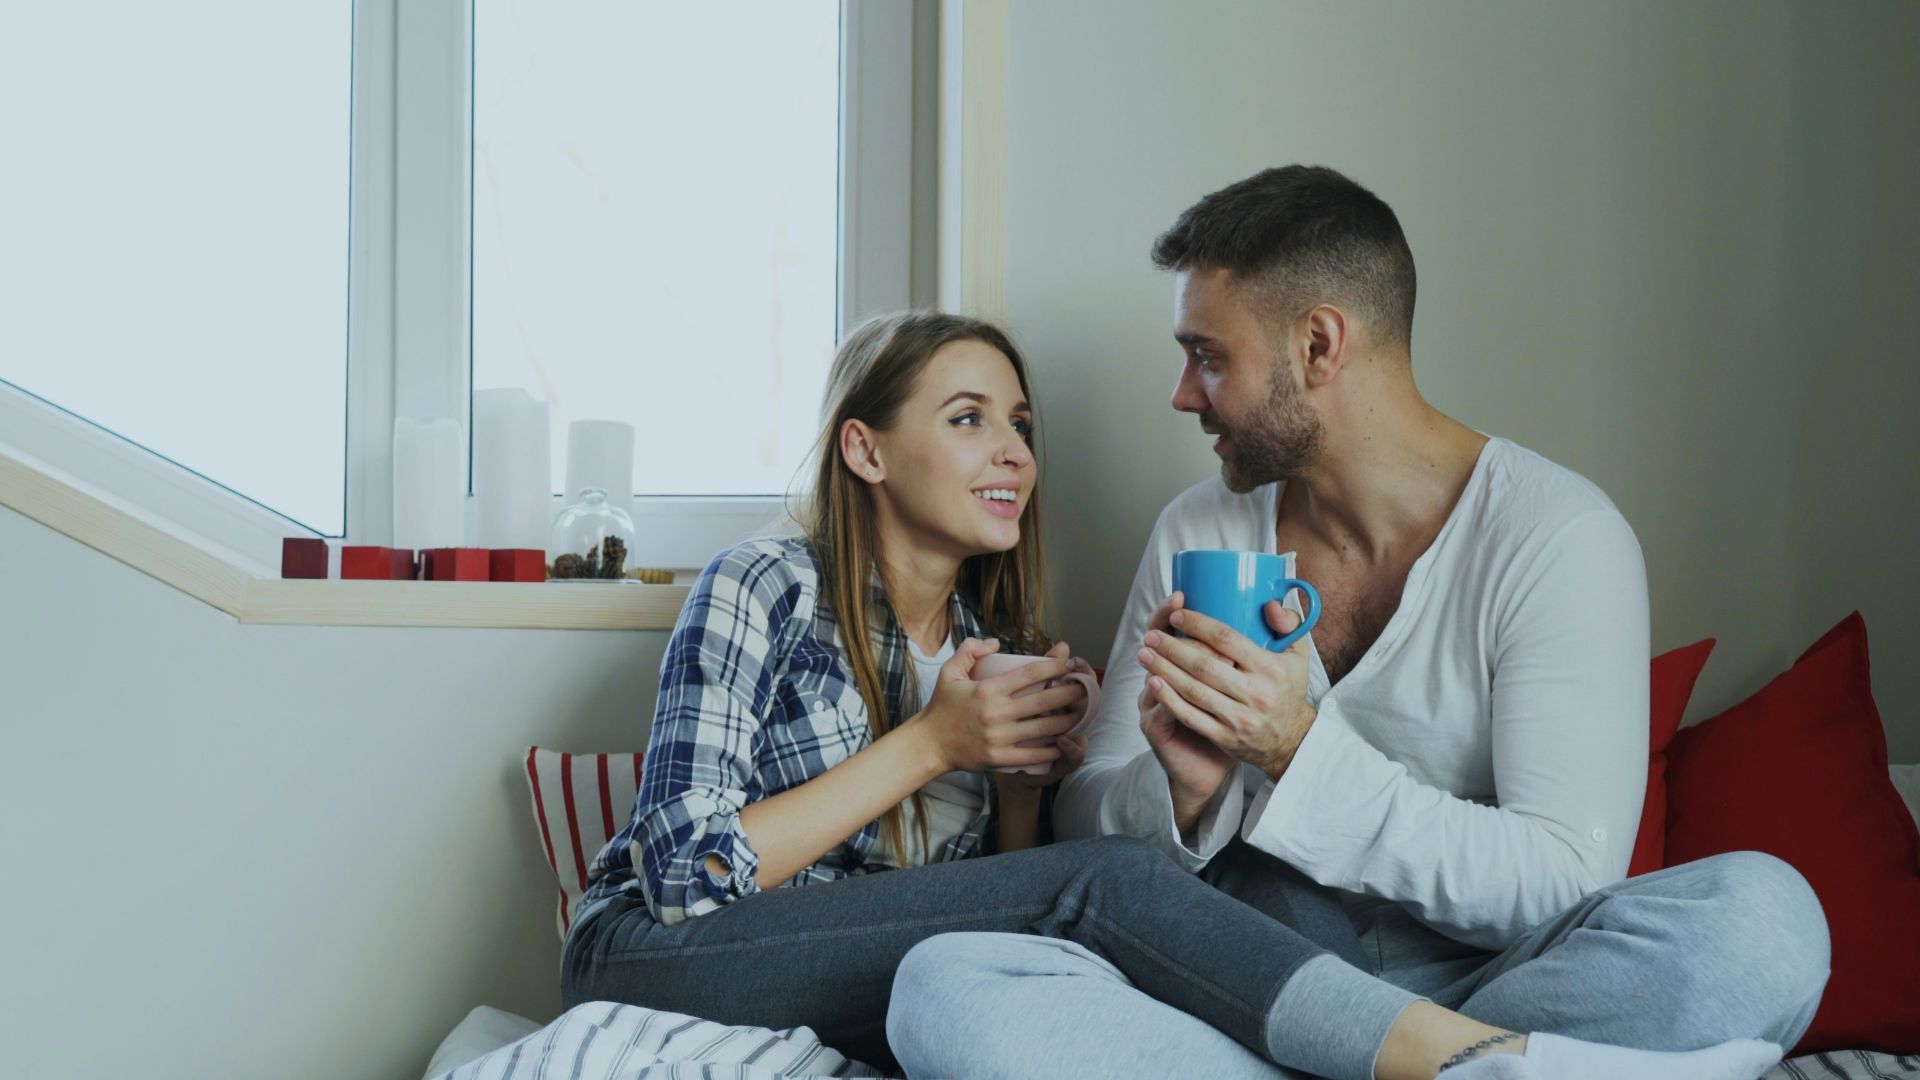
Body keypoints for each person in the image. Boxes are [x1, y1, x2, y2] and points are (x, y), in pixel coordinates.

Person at [564, 309, 1792, 1080]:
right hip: (653, 953)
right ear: (865, 449)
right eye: (968, 418)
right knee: (1108, 889)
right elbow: (681, 879)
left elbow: (995, 904)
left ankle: (1369, 1046)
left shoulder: (992, 639)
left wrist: (1025, 780)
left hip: (861, 960)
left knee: (1763, 915)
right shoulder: (762, 585)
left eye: (1022, 424)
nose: (1014, 452)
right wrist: (933, 744)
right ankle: (1455, 1061)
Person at [886, 166, 1830, 1080]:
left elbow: (1559, 883)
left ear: (1319, 347)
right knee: (946, 985)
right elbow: (1089, 815)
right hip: (1238, 980)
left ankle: (1419, 1057)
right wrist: (1178, 792)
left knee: (1767, 923)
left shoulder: (1556, 537)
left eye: (1208, 356)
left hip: (1488, 988)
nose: (1184, 394)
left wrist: (1297, 751)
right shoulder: (1203, 529)